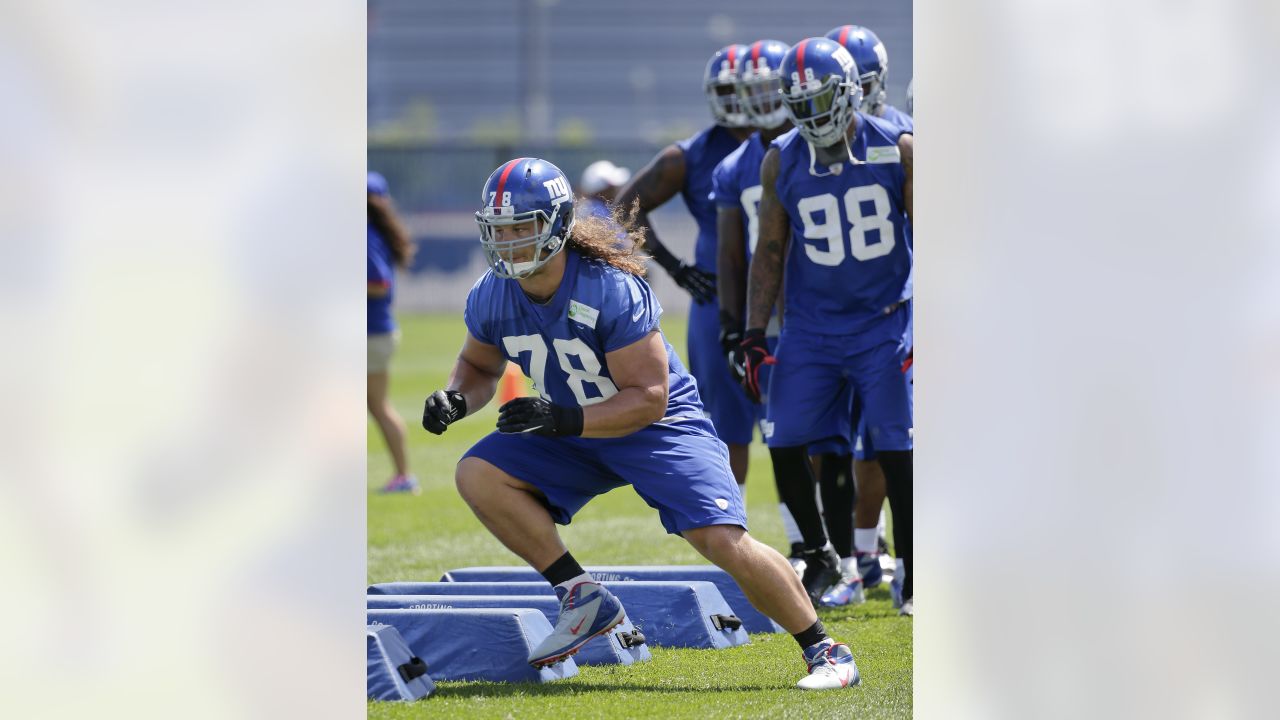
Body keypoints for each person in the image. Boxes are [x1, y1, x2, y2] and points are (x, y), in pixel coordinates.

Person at [422, 157, 860, 688]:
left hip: (657, 427)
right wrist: (454, 398)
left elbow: (649, 398)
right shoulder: (492, 292)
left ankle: (826, 649)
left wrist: (561, 417)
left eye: (523, 227)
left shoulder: (608, 287)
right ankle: (582, 597)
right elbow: (479, 366)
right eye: (500, 230)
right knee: (478, 473)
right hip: (572, 429)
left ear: (557, 225)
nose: (510, 242)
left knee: (722, 540)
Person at [739, 38, 915, 616]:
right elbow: (769, 250)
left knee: (895, 445)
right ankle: (820, 554)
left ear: (849, 94)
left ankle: (912, 571)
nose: (812, 116)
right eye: (801, 104)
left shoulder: (899, 147)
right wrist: (753, 334)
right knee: (784, 436)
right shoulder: (780, 158)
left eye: (821, 101)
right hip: (813, 327)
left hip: (883, 320)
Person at [712, 38, 845, 604]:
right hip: (775, 317)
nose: (763, 102)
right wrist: (736, 324)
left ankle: (865, 546)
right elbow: (739, 255)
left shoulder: (814, 152)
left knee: (851, 435)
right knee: (784, 433)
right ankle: (812, 547)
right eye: (754, 93)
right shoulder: (737, 166)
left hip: (827, 308)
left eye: (773, 90)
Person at [614, 46, 760, 493]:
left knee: (809, 425)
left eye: (744, 89)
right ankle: (731, 528)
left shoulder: (789, 141)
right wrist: (677, 268)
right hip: (720, 300)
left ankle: (819, 540)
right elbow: (624, 207)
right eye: (725, 90)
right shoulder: (690, 155)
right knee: (727, 428)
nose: (735, 99)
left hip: (793, 300)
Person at [367, 171, 418, 494]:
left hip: (369, 333)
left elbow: (378, 282)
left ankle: (404, 476)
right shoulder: (376, 231)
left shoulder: (364, 233)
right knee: (377, 406)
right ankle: (403, 476)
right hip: (377, 332)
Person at [825, 25, 914, 134]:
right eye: (840, 91)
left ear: (880, 81)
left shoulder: (906, 131)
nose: (851, 100)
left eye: (862, 86)